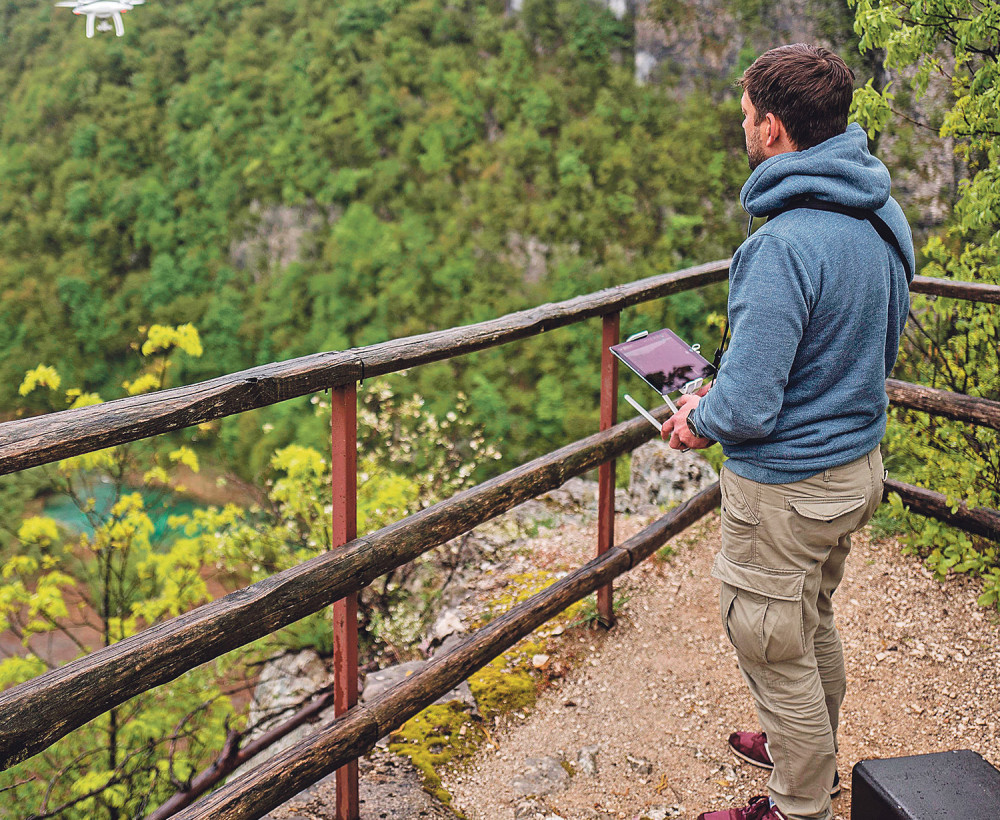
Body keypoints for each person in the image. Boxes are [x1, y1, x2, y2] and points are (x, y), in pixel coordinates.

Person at [660, 44, 914, 820]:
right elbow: (872, 338)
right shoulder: (879, 209)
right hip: (855, 464)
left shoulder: (779, 247)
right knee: (809, 620)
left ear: (772, 130)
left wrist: (698, 417)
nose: (739, 124)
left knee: (771, 644)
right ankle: (800, 741)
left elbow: (747, 411)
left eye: (744, 114)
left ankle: (797, 802)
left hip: (789, 489)